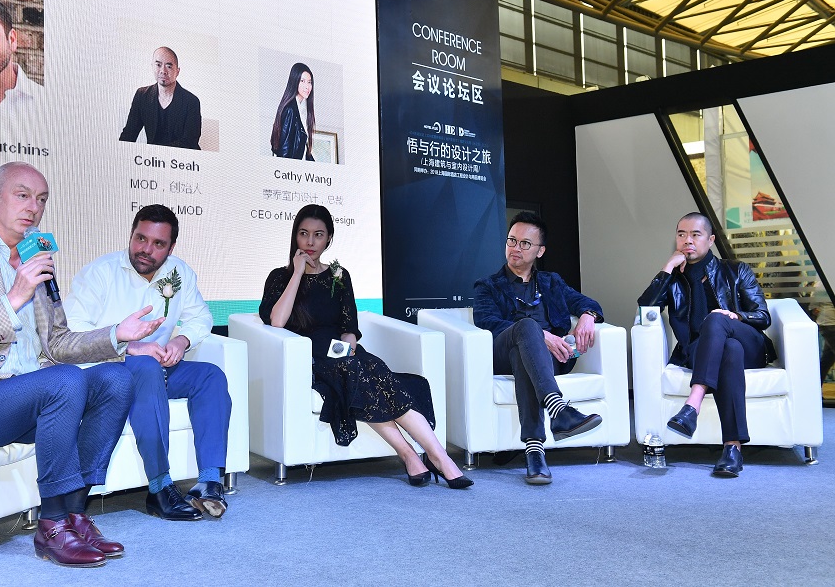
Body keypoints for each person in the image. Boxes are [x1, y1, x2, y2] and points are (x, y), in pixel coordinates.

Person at [0, 161, 163, 568]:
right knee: (63, 382)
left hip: (35, 394)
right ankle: (52, 523)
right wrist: (13, 298)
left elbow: (58, 342)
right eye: (22, 195)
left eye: (42, 199)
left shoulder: (37, 254)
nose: (33, 207)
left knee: (116, 379)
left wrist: (118, 334)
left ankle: (75, 514)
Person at [259, 204, 471, 488]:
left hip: (342, 354)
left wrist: (348, 348)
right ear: (295, 236)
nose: (310, 242)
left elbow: (349, 328)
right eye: (303, 233)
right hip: (310, 359)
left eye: (318, 235)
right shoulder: (280, 277)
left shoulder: (339, 275)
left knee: (372, 368)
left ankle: (436, 456)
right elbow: (277, 321)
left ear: (329, 238)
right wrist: (297, 274)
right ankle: (413, 454)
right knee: (358, 374)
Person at [66, 204, 231, 521]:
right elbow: (73, 329)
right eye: (141, 238)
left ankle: (209, 481)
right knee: (146, 366)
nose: (146, 249)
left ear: (171, 247)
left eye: (158, 244)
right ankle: (159, 487)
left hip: (156, 370)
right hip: (109, 370)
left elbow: (200, 318)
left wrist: (181, 342)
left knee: (210, 376)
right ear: (131, 234)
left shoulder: (179, 273)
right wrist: (129, 346)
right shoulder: (100, 273)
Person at [638, 212, 774, 478]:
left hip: (750, 344)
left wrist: (736, 316)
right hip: (702, 352)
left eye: (695, 234)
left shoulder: (736, 270)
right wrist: (667, 267)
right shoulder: (673, 278)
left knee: (717, 320)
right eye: (681, 234)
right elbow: (646, 308)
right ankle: (732, 449)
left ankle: (693, 404)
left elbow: (763, 315)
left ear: (710, 240)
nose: (687, 240)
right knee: (729, 350)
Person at [473, 211, 604, 485]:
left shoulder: (551, 282)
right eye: (511, 240)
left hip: (551, 359)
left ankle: (534, 452)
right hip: (502, 353)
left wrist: (588, 316)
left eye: (525, 243)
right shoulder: (488, 286)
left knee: (524, 359)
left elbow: (587, 302)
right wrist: (541, 334)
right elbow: (488, 322)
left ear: (540, 251)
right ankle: (558, 409)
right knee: (526, 328)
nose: (515, 248)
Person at [119, 47, 202, 148]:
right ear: (152, 67)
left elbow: (190, 142)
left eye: (169, 66)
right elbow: (129, 133)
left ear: (177, 71)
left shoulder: (191, 101)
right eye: (158, 65)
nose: (163, 71)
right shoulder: (142, 95)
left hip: (180, 157)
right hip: (152, 156)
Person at [269, 63, 315, 160]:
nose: (307, 86)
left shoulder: (303, 110)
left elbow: (304, 150)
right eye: (302, 81)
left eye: (309, 82)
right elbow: (284, 153)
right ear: (295, 81)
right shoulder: (290, 110)